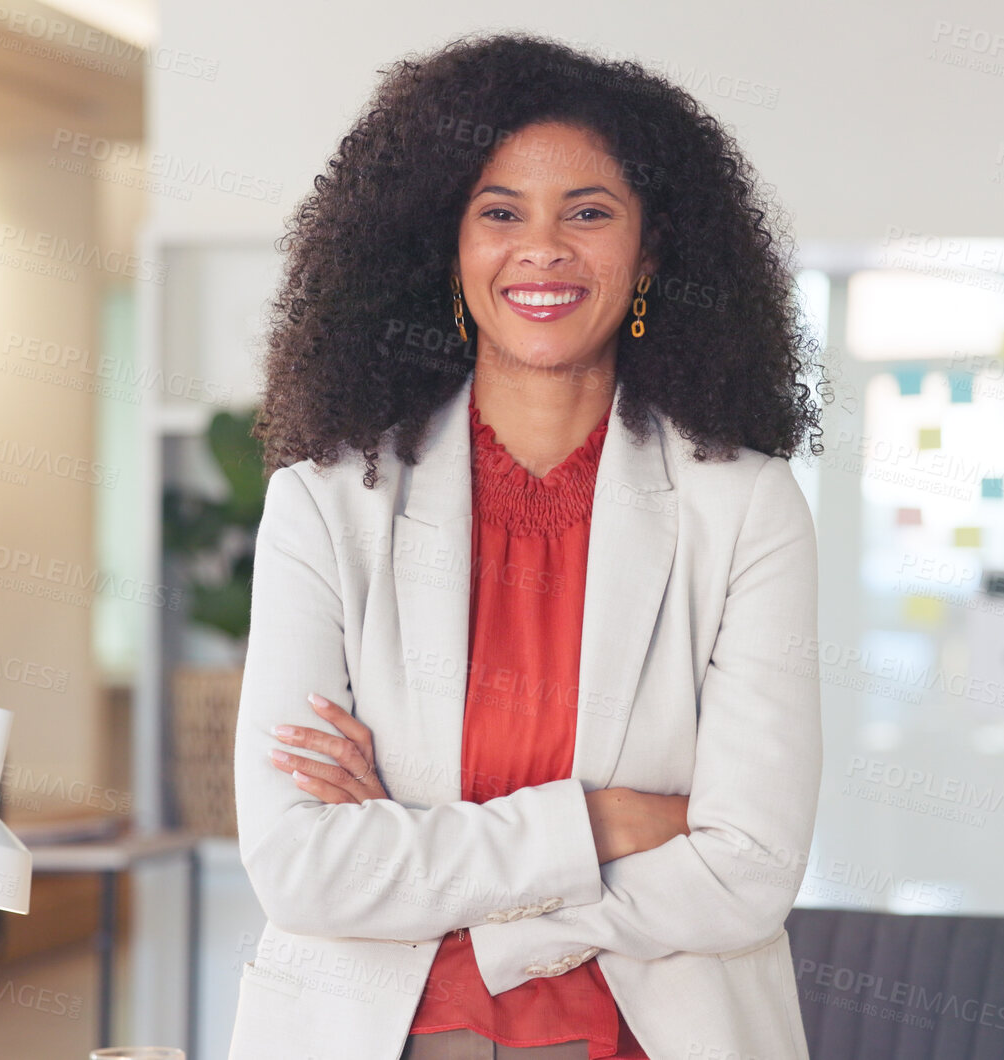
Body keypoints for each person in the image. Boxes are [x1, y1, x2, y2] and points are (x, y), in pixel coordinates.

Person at [230, 32, 828, 1060]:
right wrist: (598, 823)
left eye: (587, 213)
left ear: (648, 252)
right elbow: (301, 866)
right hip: (378, 1032)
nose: (542, 250)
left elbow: (746, 870)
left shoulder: (747, 507)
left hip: (646, 1035)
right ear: (443, 248)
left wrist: (440, 874)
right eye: (499, 213)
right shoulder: (325, 504)